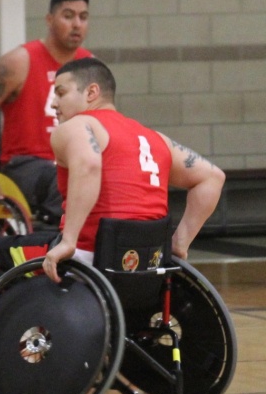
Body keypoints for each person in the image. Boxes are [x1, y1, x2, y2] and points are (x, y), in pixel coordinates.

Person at [39, 58, 224, 282]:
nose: (53, 104)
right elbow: (213, 177)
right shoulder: (155, 138)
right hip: (151, 262)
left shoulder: (76, 126)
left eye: (61, 93)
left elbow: (88, 165)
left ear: (91, 92)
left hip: (90, 259)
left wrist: (68, 241)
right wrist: (178, 244)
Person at [0, 0, 92, 225]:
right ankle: (59, 249)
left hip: (73, 160)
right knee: (65, 178)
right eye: (68, 15)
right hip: (26, 164)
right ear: (49, 20)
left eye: (83, 17)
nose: (77, 24)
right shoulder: (19, 61)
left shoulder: (89, 65)